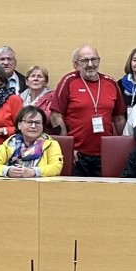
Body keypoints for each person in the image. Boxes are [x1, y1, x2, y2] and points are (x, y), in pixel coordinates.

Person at [49, 46, 125, 177]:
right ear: (76, 64)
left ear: (99, 61)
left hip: (105, 154)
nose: (90, 64)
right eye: (85, 61)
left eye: (94, 60)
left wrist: (120, 148)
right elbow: (56, 116)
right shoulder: (69, 81)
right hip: (77, 154)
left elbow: (119, 118)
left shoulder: (111, 83)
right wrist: (67, 148)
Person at [0, 106, 64, 178]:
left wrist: (33, 172)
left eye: (37, 123)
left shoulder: (51, 144)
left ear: (43, 126)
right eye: (29, 122)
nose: (33, 126)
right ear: (19, 125)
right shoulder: (10, 143)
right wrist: (8, 171)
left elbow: (56, 167)